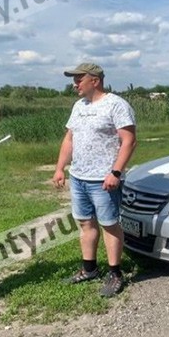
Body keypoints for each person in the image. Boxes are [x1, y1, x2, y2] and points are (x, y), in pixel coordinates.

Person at [53, 63, 136, 297]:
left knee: (109, 224)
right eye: (74, 80)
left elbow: (129, 141)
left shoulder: (116, 105)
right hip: (79, 177)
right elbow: (69, 139)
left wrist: (116, 173)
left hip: (104, 180)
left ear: (95, 81)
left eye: (79, 79)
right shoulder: (79, 106)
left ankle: (115, 273)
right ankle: (89, 269)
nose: (75, 84)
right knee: (85, 223)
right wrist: (60, 168)